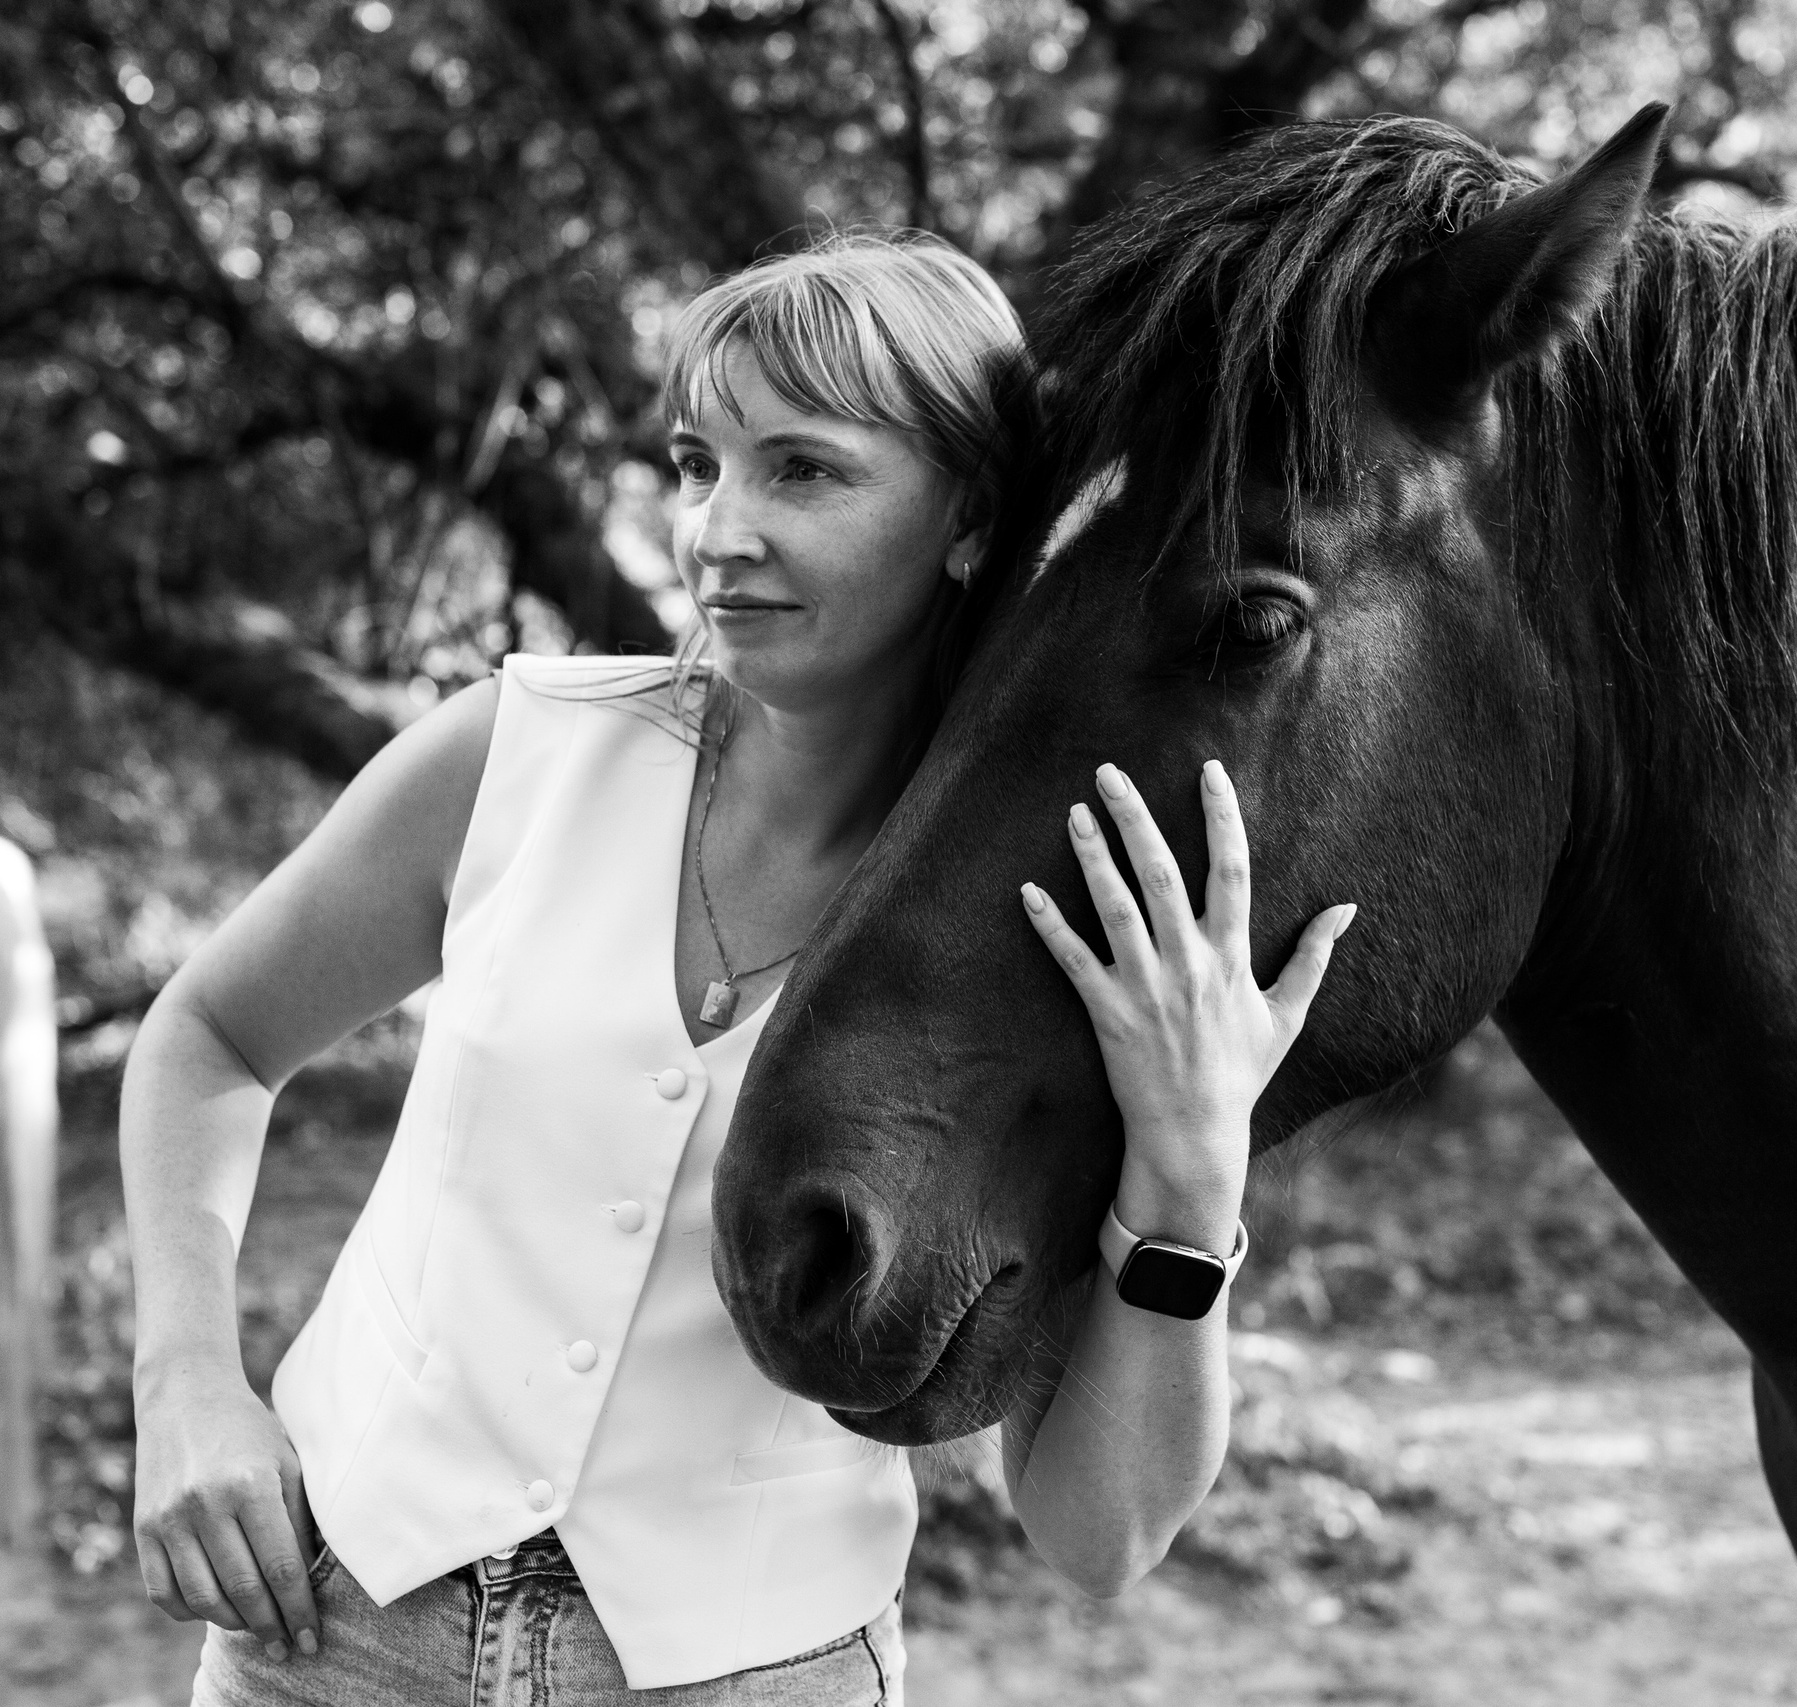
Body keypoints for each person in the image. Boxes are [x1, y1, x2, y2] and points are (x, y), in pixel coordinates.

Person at [120, 231, 1355, 1706]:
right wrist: (187, 1382)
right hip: (325, 1638)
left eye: (804, 470)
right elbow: (207, 1037)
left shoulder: (1053, 913)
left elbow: (1100, 1534)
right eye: (699, 463)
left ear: (970, 520)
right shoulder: (516, 750)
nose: (716, 531)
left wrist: (1192, 1172)